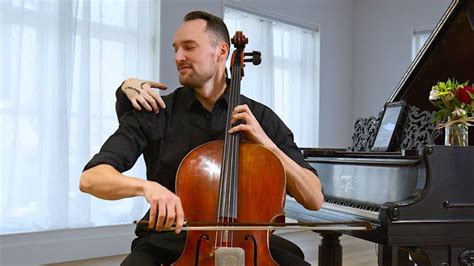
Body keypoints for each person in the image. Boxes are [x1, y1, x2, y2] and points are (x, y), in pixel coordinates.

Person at [80, 10, 324, 266]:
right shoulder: (156, 113)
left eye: (189, 47)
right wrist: (148, 188)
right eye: (175, 49)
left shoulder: (259, 117)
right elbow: (91, 178)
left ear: (221, 52)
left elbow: (314, 198)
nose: (178, 57)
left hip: (247, 242)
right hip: (167, 240)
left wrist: (267, 144)